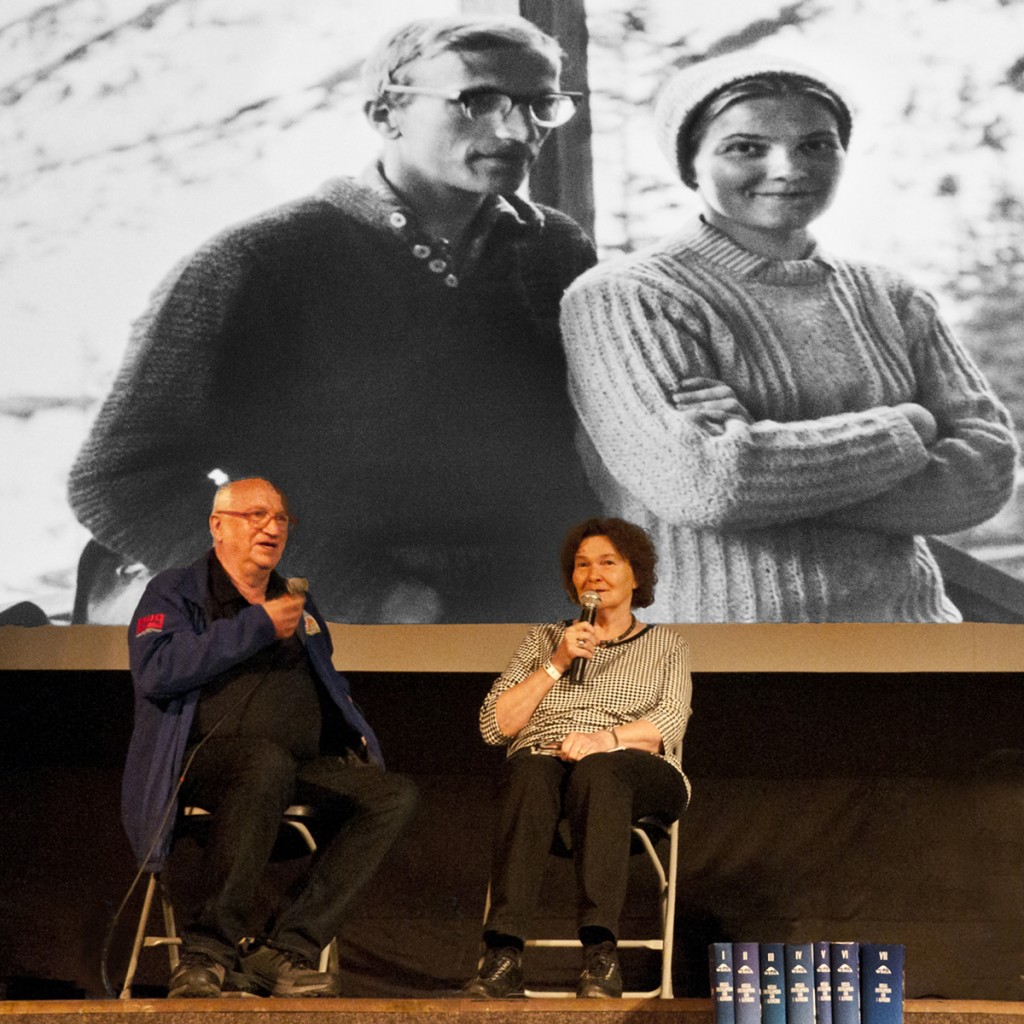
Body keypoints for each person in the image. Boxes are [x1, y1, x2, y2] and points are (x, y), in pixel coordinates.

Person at [67, 15, 598, 626]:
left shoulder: (555, 250)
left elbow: (582, 445)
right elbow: (120, 482)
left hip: (533, 627)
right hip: (334, 640)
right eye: (478, 101)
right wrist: (351, 593)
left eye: (540, 105)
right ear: (384, 115)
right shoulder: (257, 262)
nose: (514, 129)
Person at [560, 50, 1018, 623]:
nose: (788, 168)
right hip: (726, 661)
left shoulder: (891, 295)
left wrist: (767, 458)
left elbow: (984, 476)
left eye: (816, 144)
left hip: (915, 640)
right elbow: (706, 485)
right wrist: (909, 426)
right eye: (746, 147)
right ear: (691, 163)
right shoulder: (628, 297)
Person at [122, 477, 417, 998]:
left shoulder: (296, 598)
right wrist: (256, 626)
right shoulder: (175, 590)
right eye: (256, 515)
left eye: (280, 518)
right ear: (218, 526)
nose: (272, 527)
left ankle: (286, 948)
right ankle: (207, 951)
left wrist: (360, 740)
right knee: (263, 761)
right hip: (197, 763)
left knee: (391, 796)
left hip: (293, 765)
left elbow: (330, 683)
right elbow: (156, 670)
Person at [464, 517, 691, 999]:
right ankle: (504, 954)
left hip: (632, 766)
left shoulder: (664, 644)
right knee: (525, 770)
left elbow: (667, 722)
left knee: (600, 770)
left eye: (608, 562)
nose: (594, 574)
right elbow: (495, 725)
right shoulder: (545, 639)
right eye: (582, 565)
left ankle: (600, 953)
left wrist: (606, 738)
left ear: (636, 575)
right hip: (548, 763)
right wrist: (557, 663)